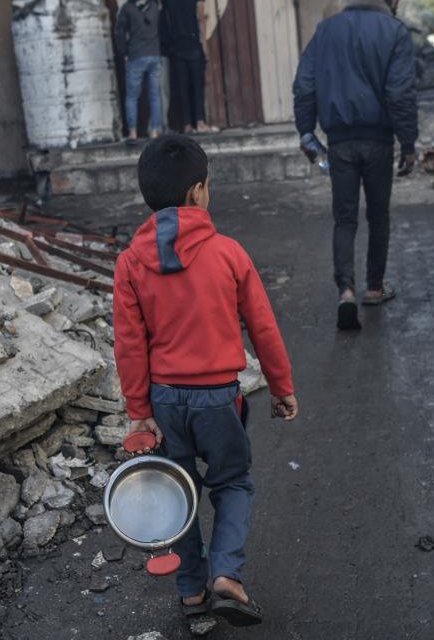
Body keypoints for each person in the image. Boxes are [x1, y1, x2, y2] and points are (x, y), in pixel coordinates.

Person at [113, 134, 298, 628]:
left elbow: (129, 344)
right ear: (198, 191)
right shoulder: (228, 253)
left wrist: (138, 411)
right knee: (232, 481)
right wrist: (281, 386)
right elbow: (263, 326)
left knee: (177, 491)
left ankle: (192, 592)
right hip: (218, 398)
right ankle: (227, 577)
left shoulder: (130, 263)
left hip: (164, 400)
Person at [292, 0, 417, 331]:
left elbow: (304, 85)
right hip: (378, 141)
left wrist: (306, 131)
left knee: (345, 218)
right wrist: (408, 142)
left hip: (340, 143)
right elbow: (400, 93)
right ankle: (374, 288)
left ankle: (345, 292)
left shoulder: (325, 30)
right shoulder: (395, 31)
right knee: (378, 216)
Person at [160, 0, 217, 133]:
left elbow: (165, 19)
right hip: (193, 45)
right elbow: (201, 19)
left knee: (183, 88)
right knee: (197, 87)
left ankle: (187, 124)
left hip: (177, 46)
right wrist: (204, 47)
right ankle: (200, 121)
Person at [115, 0, 165, 143]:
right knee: (154, 95)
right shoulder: (154, 6)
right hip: (154, 55)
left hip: (136, 56)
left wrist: (123, 52)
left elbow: (119, 32)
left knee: (132, 96)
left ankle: (133, 132)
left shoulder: (127, 8)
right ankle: (154, 131)